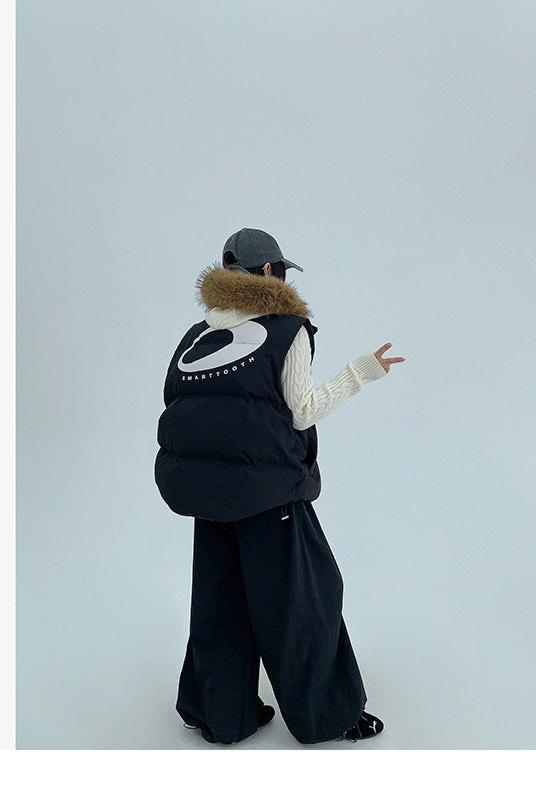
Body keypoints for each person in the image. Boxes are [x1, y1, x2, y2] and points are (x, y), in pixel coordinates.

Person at [155, 228, 405, 745]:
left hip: (207, 498)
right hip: (270, 500)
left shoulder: (196, 335)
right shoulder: (288, 331)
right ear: (269, 271)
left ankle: (219, 715)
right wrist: (362, 372)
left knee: (219, 604)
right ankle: (330, 716)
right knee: (305, 602)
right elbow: (303, 410)